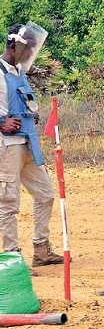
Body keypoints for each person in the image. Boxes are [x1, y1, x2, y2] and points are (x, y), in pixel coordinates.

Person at [0, 23, 64, 268]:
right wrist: (1, 123)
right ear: (13, 46)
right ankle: (13, 258)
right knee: (8, 203)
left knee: (45, 194)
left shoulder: (19, 72)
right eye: (26, 50)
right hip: (7, 146)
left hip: (28, 142)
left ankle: (41, 249)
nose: (29, 55)